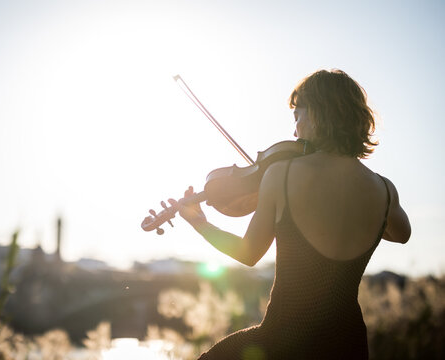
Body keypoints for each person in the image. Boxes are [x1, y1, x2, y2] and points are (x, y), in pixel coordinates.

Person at [173, 69, 411, 360]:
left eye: (298, 115)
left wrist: (200, 223)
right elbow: (401, 235)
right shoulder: (385, 190)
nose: (295, 131)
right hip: (349, 346)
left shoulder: (282, 174)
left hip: (284, 342)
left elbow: (248, 253)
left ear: (320, 114)